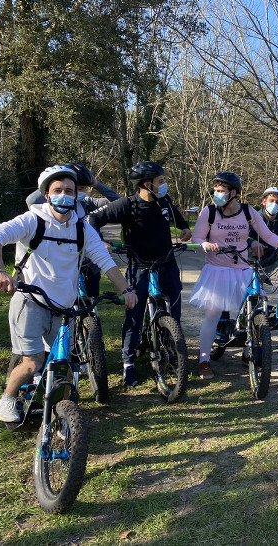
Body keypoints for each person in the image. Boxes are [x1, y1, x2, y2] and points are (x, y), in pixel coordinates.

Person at [0, 166, 138, 423]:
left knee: (64, 366)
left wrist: (126, 289)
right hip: (30, 302)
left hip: (64, 308)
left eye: (69, 191)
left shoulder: (81, 229)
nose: (64, 195)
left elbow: (104, 259)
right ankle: (7, 400)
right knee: (32, 362)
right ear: (47, 195)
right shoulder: (33, 220)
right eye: (58, 191)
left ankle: (59, 414)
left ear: (76, 195)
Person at [88, 161, 191, 387]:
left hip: (167, 263)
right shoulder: (127, 205)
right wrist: (100, 241)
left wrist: (184, 227)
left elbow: (175, 214)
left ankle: (172, 349)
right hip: (139, 267)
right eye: (161, 181)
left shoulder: (164, 201)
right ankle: (128, 363)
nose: (165, 185)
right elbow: (94, 219)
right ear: (147, 184)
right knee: (134, 317)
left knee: (174, 311)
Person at [189, 173, 278, 380]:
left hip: (242, 269)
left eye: (221, 191)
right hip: (217, 270)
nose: (217, 194)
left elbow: (267, 235)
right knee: (213, 314)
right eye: (216, 190)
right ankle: (203, 361)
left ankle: (248, 351)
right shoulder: (210, 212)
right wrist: (205, 244)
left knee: (256, 308)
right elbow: (197, 236)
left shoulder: (248, 212)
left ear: (233, 193)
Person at [26, 163, 120, 297]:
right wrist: (56, 176)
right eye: (78, 187)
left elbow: (118, 203)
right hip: (64, 264)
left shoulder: (88, 203)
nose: (81, 192)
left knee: (91, 303)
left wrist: (96, 184)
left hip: (90, 264)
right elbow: (31, 200)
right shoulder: (54, 207)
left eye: (83, 188)